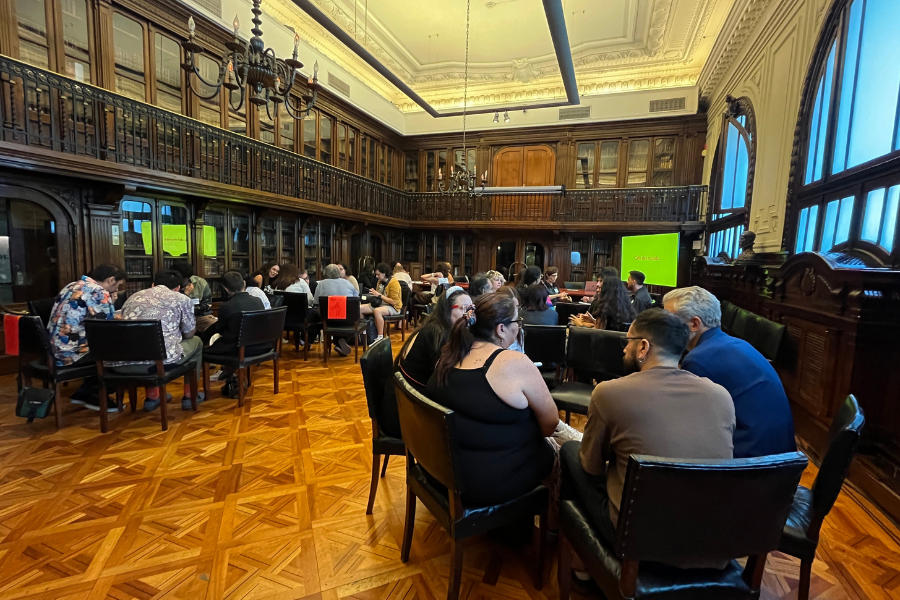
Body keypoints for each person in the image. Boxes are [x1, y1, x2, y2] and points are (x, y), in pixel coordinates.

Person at [570, 309, 735, 567]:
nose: (624, 349)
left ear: (643, 347)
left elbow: (591, 467)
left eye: (628, 342)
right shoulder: (721, 396)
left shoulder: (609, 393)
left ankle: (581, 566)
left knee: (570, 453)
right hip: (712, 544)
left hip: (637, 542)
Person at [425, 293, 561, 507]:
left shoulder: (449, 354)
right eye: (518, 321)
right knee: (562, 452)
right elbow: (550, 423)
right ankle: (551, 528)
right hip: (487, 484)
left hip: (440, 473)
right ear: (501, 329)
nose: (519, 327)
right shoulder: (514, 362)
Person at [663, 286, 797, 458]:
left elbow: (689, 426)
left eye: (669, 320)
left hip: (750, 467)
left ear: (695, 324)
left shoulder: (699, 360)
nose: (664, 327)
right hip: (781, 462)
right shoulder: (737, 343)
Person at [378, 286, 473, 437]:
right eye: (463, 308)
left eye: (471, 308)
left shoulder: (437, 327)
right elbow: (444, 383)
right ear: (447, 309)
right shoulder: (438, 335)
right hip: (403, 416)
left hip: (405, 405)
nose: (469, 314)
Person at [111, 270, 204, 411]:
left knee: (147, 344)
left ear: (153, 284)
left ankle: (153, 397)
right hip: (155, 364)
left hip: (120, 363)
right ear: (178, 288)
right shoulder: (181, 299)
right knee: (197, 342)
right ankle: (190, 396)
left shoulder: (133, 297)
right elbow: (189, 334)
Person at [47, 264, 126, 410]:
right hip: (71, 354)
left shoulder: (72, 285)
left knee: (101, 346)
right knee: (119, 351)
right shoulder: (99, 292)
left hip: (52, 350)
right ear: (111, 280)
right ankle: (97, 395)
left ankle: (84, 392)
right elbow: (106, 328)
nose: (117, 290)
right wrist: (113, 305)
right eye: (118, 285)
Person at [203, 270, 267, 399]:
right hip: (259, 346)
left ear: (226, 289)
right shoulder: (257, 301)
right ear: (244, 284)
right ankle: (231, 377)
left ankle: (208, 387)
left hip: (237, 349)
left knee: (205, 350)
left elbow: (220, 329)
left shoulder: (226, 306)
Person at [312, 263, 360, 356]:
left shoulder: (321, 284)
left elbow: (316, 303)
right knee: (342, 318)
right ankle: (340, 343)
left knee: (331, 318)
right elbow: (356, 298)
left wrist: (322, 317)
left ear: (325, 273)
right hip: (348, 320)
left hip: (329, 320)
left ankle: (338, 342)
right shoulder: (347, 283)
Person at [360, 262, 402, 341]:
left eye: (378, 274)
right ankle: (365, 333)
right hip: (381, 304)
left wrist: (379, 295)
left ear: (384, 273)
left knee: (377, 311)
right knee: (359, 308)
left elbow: (394, 302)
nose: (376, 276)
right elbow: (378, 294)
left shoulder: (394, 283)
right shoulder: (380, 281)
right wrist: (373, 293)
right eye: (376, 274)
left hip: (393, 307)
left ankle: (380, 337)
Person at [172, 259, 216, 332]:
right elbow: (172, 308)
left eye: (186, 278)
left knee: (213, 324)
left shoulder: (200, 283)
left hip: (198, 318)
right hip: (176, 320)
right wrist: (185, 295)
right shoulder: (169, 284)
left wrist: (193, 309)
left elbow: (207, 304)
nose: (183, 281)